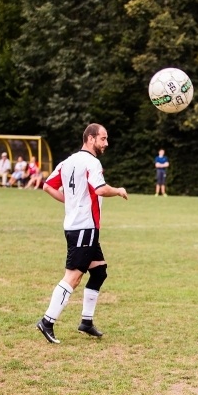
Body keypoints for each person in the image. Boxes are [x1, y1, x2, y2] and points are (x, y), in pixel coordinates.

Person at [36, 123, 128, 344]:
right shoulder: (92, 162)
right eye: (103, 139)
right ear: (90, 138)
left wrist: (72, 202)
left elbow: (48, 186)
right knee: (74, 277)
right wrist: (118, 190)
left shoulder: (68, 161)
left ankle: (86, 321)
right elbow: (100, 189)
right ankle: (47, 321)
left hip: (79, 226)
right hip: (84, 228)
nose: (106, 143)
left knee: (99, 272)